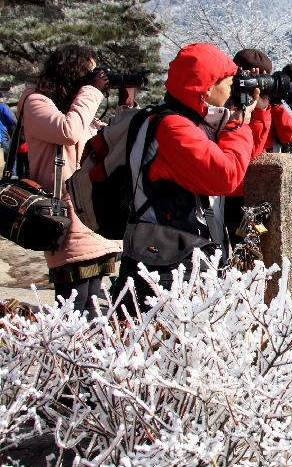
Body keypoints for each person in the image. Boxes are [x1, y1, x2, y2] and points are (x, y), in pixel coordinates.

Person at [114, 42, 270, 313]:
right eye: (229, 83)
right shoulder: (173, 127)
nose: (233, 90)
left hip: (174, 256)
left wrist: (256, 116)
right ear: (208, 87)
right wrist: (236, 124)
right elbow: (226, 176)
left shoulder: (181, 120)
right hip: (166, 265)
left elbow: (239, 169)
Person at [17, 44, 120, 317]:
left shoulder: (74, 108)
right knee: (74, 301)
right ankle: (68, 355)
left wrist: (125, 104)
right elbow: (69, 131)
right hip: (61, 214)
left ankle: (92, 356)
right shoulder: (35, 102)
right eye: (88, 72)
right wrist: (92, 91)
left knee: (95, 299)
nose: (92, 78)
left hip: (87, 210)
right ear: (72, 72)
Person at [223, 49, 292, 244]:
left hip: (264, 184)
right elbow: (249, 149)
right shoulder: (227, 105)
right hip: (235, 187)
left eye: (262, 78)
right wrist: (254, 110)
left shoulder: (272, 106)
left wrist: (270, 104)